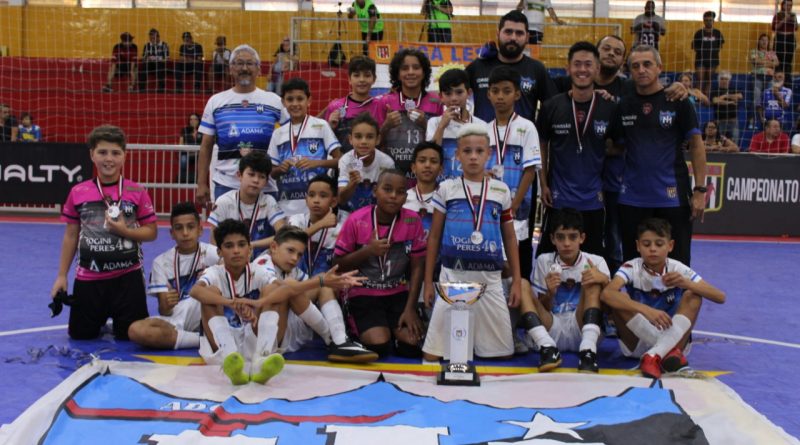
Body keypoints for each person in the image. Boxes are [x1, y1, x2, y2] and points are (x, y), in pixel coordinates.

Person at [190, 220, 364, 384]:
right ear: (219, 252)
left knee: (276, 291)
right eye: (229, 246)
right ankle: (229, 359)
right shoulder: (216, 271)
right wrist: (230, 303)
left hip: (254, 335)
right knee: (209, 294)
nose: (236, 250)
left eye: (241, 245)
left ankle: (262, 359)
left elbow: (287, 290)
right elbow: (195, 291)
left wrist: (260, 302)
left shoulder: (257, 271)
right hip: (222, 341)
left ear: (249, 249)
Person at [421, 124, 521, 361]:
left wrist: (517, 280)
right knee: (432, 356)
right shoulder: (446, 189)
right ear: (457, 155)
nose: (473, 156)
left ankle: (476, 341)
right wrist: (428, 283)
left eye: (479, 151)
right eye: (467, 151)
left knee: (501, 355)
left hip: (490, 280)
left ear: (489, 154)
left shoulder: (501, 190)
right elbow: (434, 236)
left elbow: (509, 237)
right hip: (453, 278)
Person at [50, 125, 157, 340]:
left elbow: (151, 232)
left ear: (124, 156)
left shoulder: (137, 191)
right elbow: (71, 235)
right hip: (89, 278)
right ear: (92, 154)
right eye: (102, 152)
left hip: (128, 279)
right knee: (80, 336)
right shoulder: (78, 192)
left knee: (131, 337)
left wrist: (125, 231)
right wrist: (61, 276)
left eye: (116, 153)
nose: (109, 159)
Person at [612, 45, 706, 267]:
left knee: (678, 266)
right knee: (634, 266)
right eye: (636, 66)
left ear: (659, 68)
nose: (641, 70)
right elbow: (615, 146)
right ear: (630, 71)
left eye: (647, 64)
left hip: (672, 197)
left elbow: (696, 145)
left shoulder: (679, 101)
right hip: (632, 198)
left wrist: (700, 190)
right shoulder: (623, 106)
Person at [601, 218, 725, 379]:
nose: (653, 249)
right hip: (640, 342)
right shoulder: (631, 267)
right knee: (618, 297)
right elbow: (606, 294)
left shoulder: (677, 268)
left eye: (659, 244)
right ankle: (664, 353)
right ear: (638, 246)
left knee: (693, 295)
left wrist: (686, 283)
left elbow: (720, 297)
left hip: (674, 339)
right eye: (646, 244)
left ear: (670, 245)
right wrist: (647, 310)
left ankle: (654, 355)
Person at [537, 42, 619, 259]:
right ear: (568, 68)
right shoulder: (551, 106)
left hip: (593, 199)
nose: (582, 69)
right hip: (558, 198)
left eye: (588, 64)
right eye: (577, 64)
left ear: (597, 69)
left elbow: (619, 145)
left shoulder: (609, 107)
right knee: (550, 259)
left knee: (592, 261)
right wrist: (543, 184)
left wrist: (599, 149)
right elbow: (541, 145)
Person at [333, 169, 426, 357]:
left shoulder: (412, 220)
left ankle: (394, 333)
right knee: (379, 345)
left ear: (405, 197)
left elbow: (417, 266)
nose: (393, 196)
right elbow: (338, 265)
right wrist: (368, 251)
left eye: (400, 192)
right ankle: (357, 327)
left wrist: (410, 308)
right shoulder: (356, 219)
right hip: (363, 293)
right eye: (387, 189)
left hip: (397, 293)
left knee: (412, 345)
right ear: (375, 190)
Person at [253, 226, 377, 362]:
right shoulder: (261, 264)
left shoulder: (290, 268)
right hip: (262, 337)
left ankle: (340, 340)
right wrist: (322, 281)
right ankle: (330, 338)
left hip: (287, 330)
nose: (294, 258)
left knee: (322, 283)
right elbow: (285, 289)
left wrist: (336, 282)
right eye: (290, 250)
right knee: (291, 286)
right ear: (274, 247)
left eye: (299, 255)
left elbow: (311, 287)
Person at [196, 44, 285, 205]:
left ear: (258, 69)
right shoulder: (216, 101)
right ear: (230, 69)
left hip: (265, 185)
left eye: (250, 63)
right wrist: (201, 183)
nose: (244, 68)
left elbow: (292, 134)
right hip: (226, 185)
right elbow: (206, 146)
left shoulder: (275, 101)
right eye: (239, 63)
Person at [524, 208, 609, 373]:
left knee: (592, 281)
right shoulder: (543, 261)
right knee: (521, 284)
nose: (567, 243)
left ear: (582, 238)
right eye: (561, 237)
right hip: (552, 328)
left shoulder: (596, 261)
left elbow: (609, 312)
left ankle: (588, 352)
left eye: (573, 237)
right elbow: (543, 308)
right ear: (552, 239)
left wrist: (604, 280)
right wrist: (550, 293)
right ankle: (547, 347)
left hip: (583, 326)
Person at [127, 202, 219, 350]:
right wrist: (167, 304)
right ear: (171, 233)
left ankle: (195, 336)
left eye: (190, 227)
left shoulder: (214, 254)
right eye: (179, 228)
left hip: (208, 315)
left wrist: (213, 275)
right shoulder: (161, 263)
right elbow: (164, 311)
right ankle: (201, 339)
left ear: (200, 230)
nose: (185, 233)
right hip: (178, 320)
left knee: (214, 288)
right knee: (136, 330)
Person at [484, 66, 540, 282]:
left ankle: (518, 299)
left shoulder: (527, 127)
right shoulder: (484, 130)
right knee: (493, 261)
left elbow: (530, 171)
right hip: (489, 209)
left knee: (515, 264)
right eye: (495, 91)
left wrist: (514, 205)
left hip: (517, 210)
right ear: (488, 94)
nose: (500, 96)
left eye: (506, 91)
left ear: (517, 94)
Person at [467, 10, 555, 124]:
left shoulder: (537, 69)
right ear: (498, 33)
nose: (513, 38)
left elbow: (553, 106)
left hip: (523, 135)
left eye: (519, 33)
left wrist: (539, 129)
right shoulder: (478, 66)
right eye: (508, 32)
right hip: (483, 135)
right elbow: (454, 94)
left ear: (527, 37)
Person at [269, 77, 341, 217]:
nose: (295, 104)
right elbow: (272, 172)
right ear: (283, 102)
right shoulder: (278, 134)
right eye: (290, 99)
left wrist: (316, 163)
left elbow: (340, 160)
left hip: (317, 205)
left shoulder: (321, 125)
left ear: (309, 100)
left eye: (300, 99)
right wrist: (280, 169)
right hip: (286, 205)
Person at [376, 49, 443, 183]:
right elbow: (374, 143)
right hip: (392, 176)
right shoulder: (384, 102)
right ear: (398, 73)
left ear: (424, 72)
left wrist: (426, 124)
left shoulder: (436, 102)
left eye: (416, 67)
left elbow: (441, 143)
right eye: (405, 68)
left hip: (424, 178)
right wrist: (386, 126)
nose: (411, 72)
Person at [209, 151, 286, 259]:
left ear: (266, 181)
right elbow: (214, 241)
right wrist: (221, 261)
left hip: (261, 263)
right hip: (230, 261)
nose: (256, 180)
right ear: (239, 175)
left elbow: (283, 234)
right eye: (251, 174)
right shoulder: (223, 202)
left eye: (261, 177)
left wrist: (252, 245)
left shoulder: (269, 202)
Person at [426, 68, 488, 180]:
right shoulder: (434, 122)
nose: (454, 98)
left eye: (459, 92)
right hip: (440, 185)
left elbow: (485, 160)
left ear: (469, 93)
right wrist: (442, 127)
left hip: (470, 185)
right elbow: (430, 155)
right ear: (441, 96)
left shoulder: (482, 125)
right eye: (448, 93)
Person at [288, 175, 344, 277]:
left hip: (325, 282)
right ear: (306, 199)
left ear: (333, 202)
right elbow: (290, 240)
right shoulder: (297, 219)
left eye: (323, 196)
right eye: (311, 195)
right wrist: (321, 224)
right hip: (295, 281)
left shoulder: (339, 230)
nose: (316, 200)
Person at [337, 113, 395, 212]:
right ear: (350, 139)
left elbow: (389, 199)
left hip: (377, 213)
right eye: (358, 136)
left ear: (378, 139)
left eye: (369, 137)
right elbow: (341, 200)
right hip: (349, 214)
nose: (363, 141)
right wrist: (352, 183)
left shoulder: (387, 163)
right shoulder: (345, 161)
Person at [323, 55, 380, 154]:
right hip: (342, 162)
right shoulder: (335, 106)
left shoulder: (380, 106)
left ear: (374, 79)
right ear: (349, 79)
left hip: (372, 161)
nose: (362, 79)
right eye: (356, 75)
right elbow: (325, 141)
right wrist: (330, 127)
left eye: (367, 75)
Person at [403, 141, 443, 238]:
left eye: (433, 161)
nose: (427, 165)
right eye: (422, 160)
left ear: (440, 170)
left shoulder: (444, 200)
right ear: (413, 167)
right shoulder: (403, 198)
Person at [691, 11, 724, 99]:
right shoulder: (699, 33)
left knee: (709, 80)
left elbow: (720, 46)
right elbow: (694, 46)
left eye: (710, 20)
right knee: (700, 79)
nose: (708, 22)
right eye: (706, 20)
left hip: (713, 60)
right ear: (703, 21)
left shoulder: (717, 33)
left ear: (713, 21)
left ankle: (706, 99)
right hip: (700, 59)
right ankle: (698, 99)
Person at [750, 33, 779, 127]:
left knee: (769, 97)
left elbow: (776, 63)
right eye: (762, 40)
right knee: (757, 97)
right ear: (759, 41)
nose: (764, 42)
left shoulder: (772, 52)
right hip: (758, 76)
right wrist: (769, 62)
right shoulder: (754, 51)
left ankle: (768, 118)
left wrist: (762, 63)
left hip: (770, 77)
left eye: (766, 40)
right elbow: (755, 61)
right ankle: (759, 118)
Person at [709, 71, 743, 144]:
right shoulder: (715, 90)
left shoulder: (733, 89)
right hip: (719, 121)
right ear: (719, 80)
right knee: (720, 141)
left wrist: (725, 96)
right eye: (722, 79)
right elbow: (715, 101)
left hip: (732, 120)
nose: (724, 81)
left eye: (726, 79)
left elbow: (740, 96)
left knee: (734, 141)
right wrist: (730, 102)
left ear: (729, 80)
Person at [772, 0, 797, 83]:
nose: (789, 7)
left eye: (790, 5)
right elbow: (774, 27)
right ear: (782, 5)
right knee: (779, 60)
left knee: (788, 61)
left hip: (790, 38)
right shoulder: (778, 15)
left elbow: (796, 27)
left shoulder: (793, 15)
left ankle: (787, 81)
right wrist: (784, 20)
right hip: (780, 37)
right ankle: (778, 80)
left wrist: (793, 20)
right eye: (787, 5)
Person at [138, 28, 169, 93]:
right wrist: (148, 58)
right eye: (151, 38)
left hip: (160, 64)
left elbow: (166, 59)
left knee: (160, 66)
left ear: (158, 37)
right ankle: (142, 89)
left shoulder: (164, 45)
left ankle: (161, 90)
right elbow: (144, 58)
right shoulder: (147, 45)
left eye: (153, 38)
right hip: (150, 64)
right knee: (143, 67)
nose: (152, 40)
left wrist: (157, 59)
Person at [178, 113, 202, 183]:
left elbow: (204, 145)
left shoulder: (202, 131)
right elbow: (181, 144)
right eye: (191, 119)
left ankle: (200, 180)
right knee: (183, 160)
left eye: (195, 119)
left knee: (203, 159)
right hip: (187, 153)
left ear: (198, 121)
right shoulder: (185, 130)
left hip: (199, 153)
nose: (192, 121)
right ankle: (183, 178)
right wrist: (188, 150)